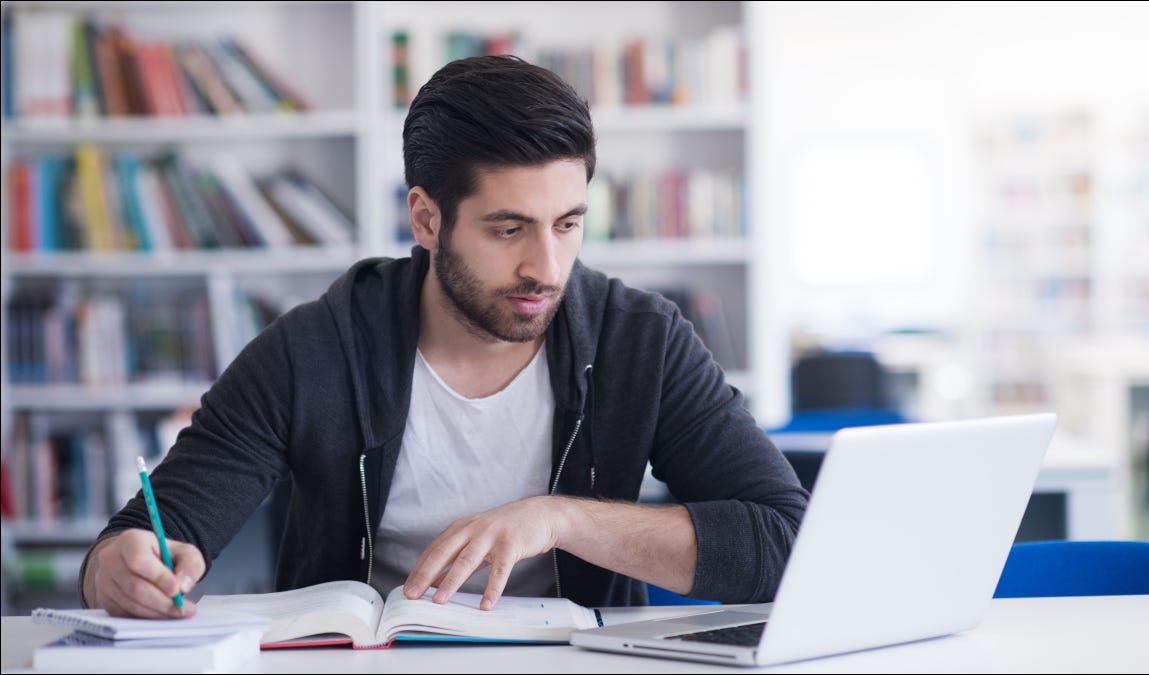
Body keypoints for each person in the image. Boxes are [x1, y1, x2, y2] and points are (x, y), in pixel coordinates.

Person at [80, 55, 808, 619]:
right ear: (425, 220)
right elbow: (145, 531)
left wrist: (557, 520)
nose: (546, 268)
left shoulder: (640, 341)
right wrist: (120, 565)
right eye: (508, 228)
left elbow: (782, 541)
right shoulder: (312, 350)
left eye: (568, 224)